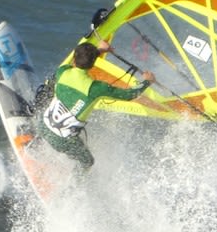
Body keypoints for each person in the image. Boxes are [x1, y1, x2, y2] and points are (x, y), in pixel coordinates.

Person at [37, 38, 154, 169]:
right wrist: (147, 82)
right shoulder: (96, 88)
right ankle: (75, 188)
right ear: (93, 65)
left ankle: (35, 138)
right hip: (62, 140)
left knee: (50, 92)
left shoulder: (63, 71)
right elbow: (128, 95)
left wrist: (99, 50)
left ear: (74, 59)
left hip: (42, 126)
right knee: (88, 162)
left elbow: (79, 63)